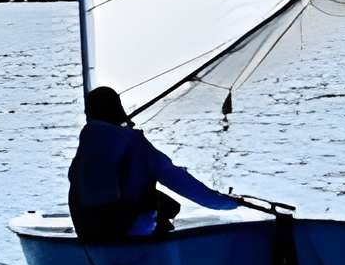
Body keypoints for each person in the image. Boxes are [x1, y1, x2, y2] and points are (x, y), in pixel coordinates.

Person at [67, 85, 243, 243]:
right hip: (124, 232)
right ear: (117, 109)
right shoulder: (134, 142)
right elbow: (176, 179)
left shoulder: (85, 149)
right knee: (171, 207)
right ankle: (155, 251)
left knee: (166, 204)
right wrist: (229, 203)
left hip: (87, 232)